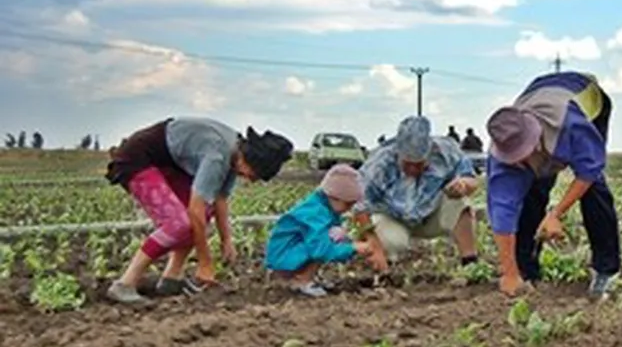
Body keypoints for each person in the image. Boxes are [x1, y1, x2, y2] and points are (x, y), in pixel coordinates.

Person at [104, 117, 294, 303]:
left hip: (167, 164)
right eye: (253, 175)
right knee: (180, 224)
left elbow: (219, 199)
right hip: (137, 160)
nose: (250, 179)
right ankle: (125, 284)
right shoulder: (218, 156)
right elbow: (195, 210)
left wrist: (226, 240)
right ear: (247, 160)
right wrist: (205, 262)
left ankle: (172, 278)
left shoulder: (234, 154)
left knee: (202, 214)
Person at [485, 71, 621, 299]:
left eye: (523, 153)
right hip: (538, 95)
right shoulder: (502, 155)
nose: (518, 161)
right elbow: (502, 214)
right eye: (513, 158)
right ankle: (525, 271)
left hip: (585, 97)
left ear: (534, 139)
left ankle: (606, 269)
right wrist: (509, 272)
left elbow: (589, 170)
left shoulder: (570, 126)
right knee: (532, 190)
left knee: (594, 189)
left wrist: (556, 213)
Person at [349, 116, 480, 268]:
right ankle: (384, 264)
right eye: (407, 164)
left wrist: (463, 185)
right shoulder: (379, 163)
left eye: (419, 164)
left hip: (430, 215)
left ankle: (470, 262)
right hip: (393, 218)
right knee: (392, 242)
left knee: (461, 203)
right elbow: (359, 206)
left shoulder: (446, 151)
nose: (413, 169)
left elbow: (471, 179)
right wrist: (374, 246)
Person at [264, 164, 388, 296]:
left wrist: (347, 241)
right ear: (333, 197)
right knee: (325, 241)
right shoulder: (316, 214)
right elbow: (320, 250)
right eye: (348, 204)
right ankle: (301, 281)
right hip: (283, 257)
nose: (349, 209)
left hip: (291, 253)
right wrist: (352, 248)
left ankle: (304, 277)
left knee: (335, 235)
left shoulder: (324, 208)